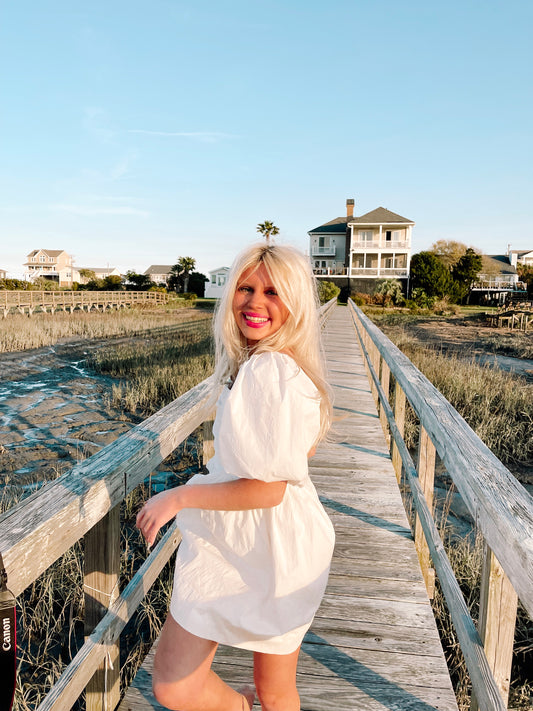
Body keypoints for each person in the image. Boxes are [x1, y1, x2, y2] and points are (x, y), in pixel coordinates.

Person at [136, 243, 335, 711]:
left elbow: (269, 488)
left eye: (272, 291)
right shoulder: (268, 366)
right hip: (251, 537)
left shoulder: (271, 371)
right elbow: (289, 456)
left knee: (233, 687)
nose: (254, 301)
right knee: (262, 690)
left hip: (272, 545)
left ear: (296, 303)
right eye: (245, 287)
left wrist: (179, 497)